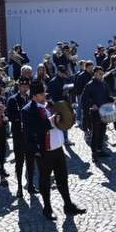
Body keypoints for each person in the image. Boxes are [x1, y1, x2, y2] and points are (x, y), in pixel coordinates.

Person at [22, 83, 86, 220]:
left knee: (63, 178)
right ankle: (47, 208)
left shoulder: (50, 104)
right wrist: (51, 121)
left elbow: (61, 117)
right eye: (41, 94)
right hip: (44, 150)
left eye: (44, 93)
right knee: (45, 181)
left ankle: (68, 205)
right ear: (34, 96)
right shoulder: (27, 110)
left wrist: (68, 115)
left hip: (58, 147)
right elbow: (32, 130)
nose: (45, 95)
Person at [7, 79, 35, 193]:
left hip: (30, 135)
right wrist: (22, 117)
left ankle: (31, 185)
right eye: (22, 86)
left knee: (31, 161)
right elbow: (11, 117)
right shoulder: (13, 100)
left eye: (26, 86)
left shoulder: (31, 99)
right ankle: (19, 186)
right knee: (19, 162)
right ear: (19, 87)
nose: (24, 88)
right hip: (19, 135)